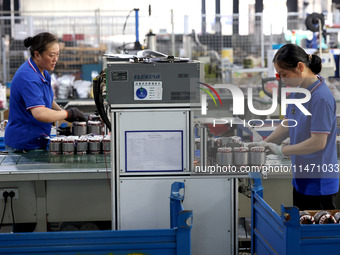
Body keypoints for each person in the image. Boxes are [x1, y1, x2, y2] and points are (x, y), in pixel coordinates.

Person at [252, 44, 338, 210]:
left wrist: (281, 151)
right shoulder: (299, 92)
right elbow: (286, 125)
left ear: (300, 67)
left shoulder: (321, 98)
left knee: (315, 233)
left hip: (318, 183)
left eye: (284, 74)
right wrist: (265, 144)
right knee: (299, 230)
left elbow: (318, 143)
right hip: (302, 178)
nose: (282, 79)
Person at [4, 32, 86, 152]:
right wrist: (68, 114)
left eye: (58, 54)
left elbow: (47, 100)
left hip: (37, 141)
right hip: (23, 146)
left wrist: (62, 112)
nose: (55, 59)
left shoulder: (43, 73)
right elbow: (40, 113)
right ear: (37, 54)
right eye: (51, 55)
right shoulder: (28, 77)